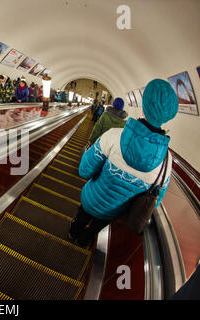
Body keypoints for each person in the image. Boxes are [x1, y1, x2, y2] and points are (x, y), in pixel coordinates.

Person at [69, 79, 179, 247]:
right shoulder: (166, 163)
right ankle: (83, 243)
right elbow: (155, 200)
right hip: (115, 213)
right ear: (169, 116)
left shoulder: (114, 136)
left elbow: (84, 170)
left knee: (81, 218)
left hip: (91, 200)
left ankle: (72, 234)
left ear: (143, 107)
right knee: (94, 230)